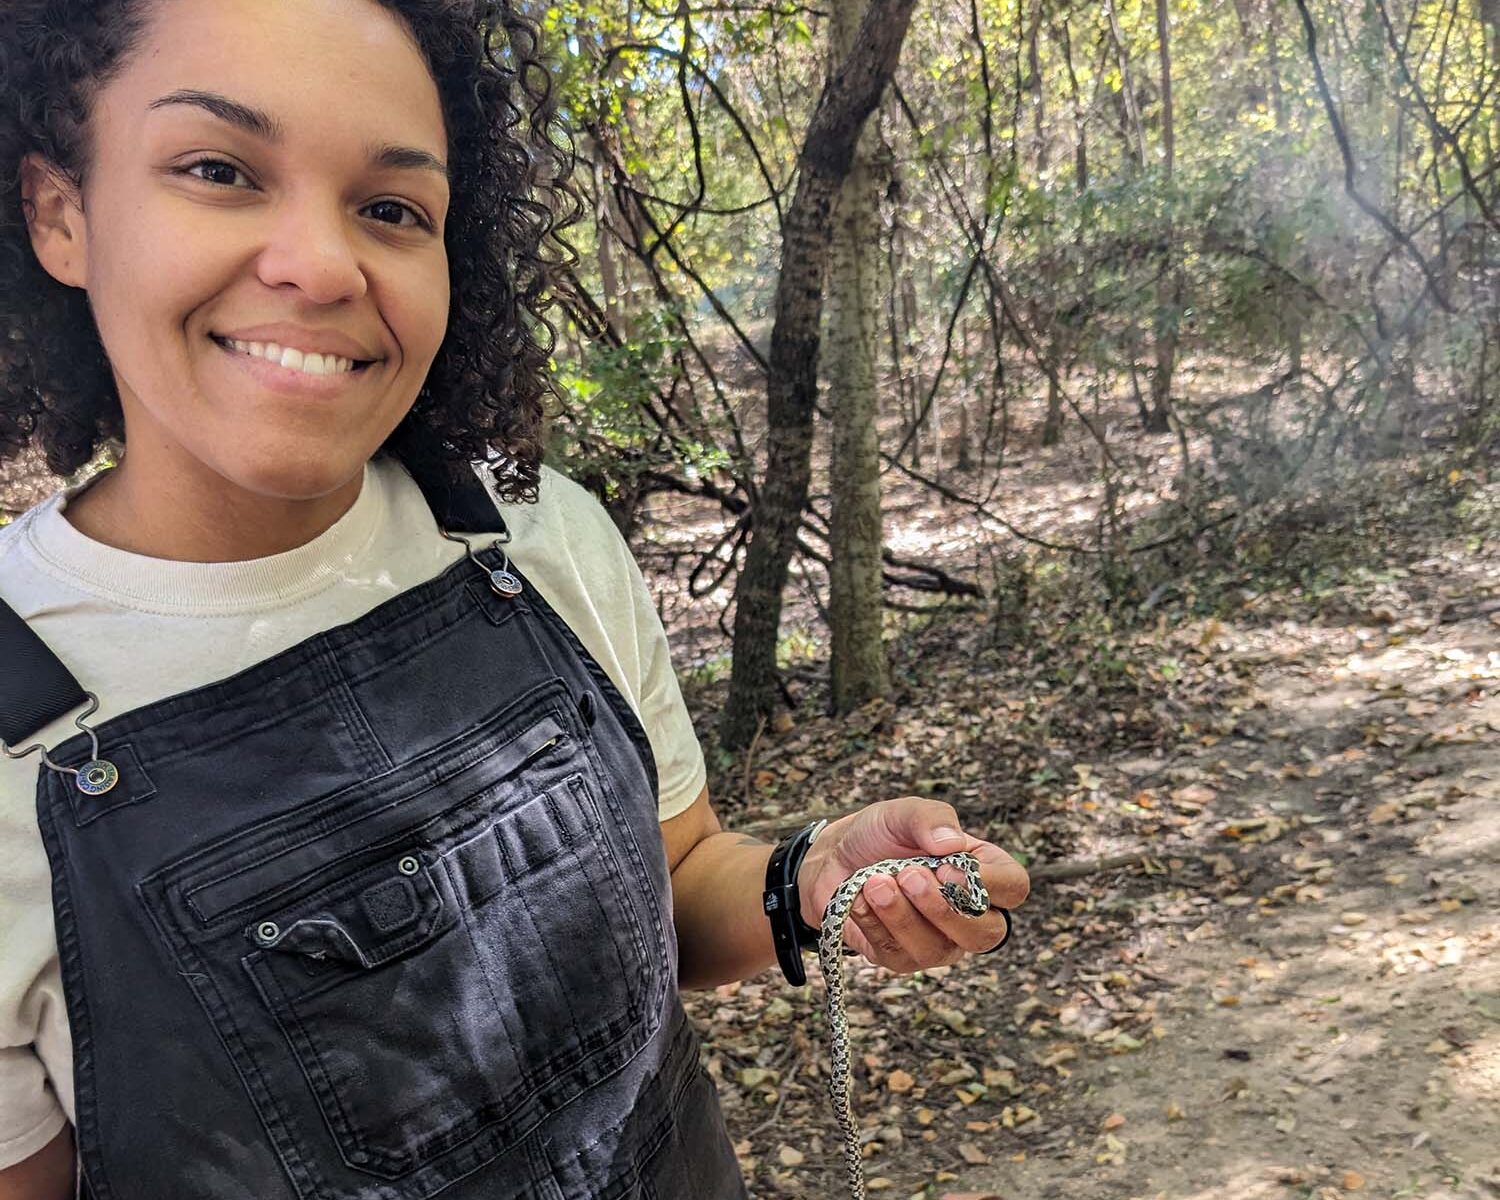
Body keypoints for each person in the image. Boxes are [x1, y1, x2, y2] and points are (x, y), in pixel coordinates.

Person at [0, 1, 1030, 1197]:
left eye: (391, 208)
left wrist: (809, 880)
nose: (323, 264)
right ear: (59, 213)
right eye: (220, 170)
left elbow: (680, 881)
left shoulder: (534, 533)